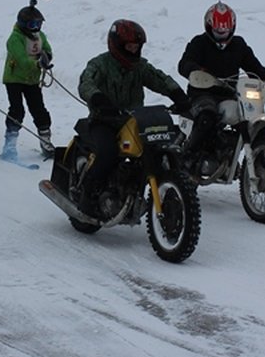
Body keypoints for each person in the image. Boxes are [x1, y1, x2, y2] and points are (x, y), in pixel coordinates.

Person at [76, 19, 189, 216]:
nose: (133, 50)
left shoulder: (140, 67)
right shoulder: (100, 64)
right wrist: (98, 98)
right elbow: (86, 82)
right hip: (104, 120)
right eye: (129, 46)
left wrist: (178, 94)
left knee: (162, 148)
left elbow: (159, 79)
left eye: (136, 47)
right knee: (108, 153)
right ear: (117, 45)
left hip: (134, 120)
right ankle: (87, 196)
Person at [176, 1, 265, 173]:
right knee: (207, 116)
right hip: (202, 92)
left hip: (229, 94)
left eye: (225, 31)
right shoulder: (199, 43)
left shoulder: (238, 45)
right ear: (209, 27)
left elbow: (254, 66)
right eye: (218, 31)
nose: (222, 35)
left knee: (252, 119)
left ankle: (259, 163)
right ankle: (188, 157)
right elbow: (184, 64)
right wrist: (195, 70)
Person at [1, 0, 55, 160]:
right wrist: (38, 63)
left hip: (32, 80)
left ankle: (46, 142)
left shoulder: (40, 36)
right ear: (23, 24)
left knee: (40, 111)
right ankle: (9, 146)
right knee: (17, 111)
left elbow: (47, 49)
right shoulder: (14, 39)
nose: (36, 28)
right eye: (32, 25)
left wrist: (47, 57)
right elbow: (22, 60)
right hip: (14, 79)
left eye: (38, 24)